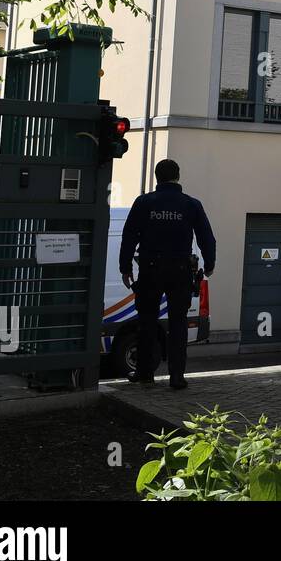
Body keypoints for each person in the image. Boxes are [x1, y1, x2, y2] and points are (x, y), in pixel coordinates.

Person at [119, 159, 216, 390]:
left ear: (156, 177)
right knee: (178, 323)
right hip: (180, 270)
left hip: (150, 269)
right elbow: (206, 238)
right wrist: (210, 263)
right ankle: (176, 376)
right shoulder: (191, 204)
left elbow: (129, 236)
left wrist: (125, 268)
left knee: (147, 322)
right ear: (178, 176)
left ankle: (144, 373)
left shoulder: (144, 203)